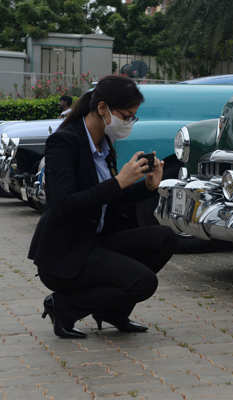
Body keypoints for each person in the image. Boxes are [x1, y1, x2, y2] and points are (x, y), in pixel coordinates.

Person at [28, 75, 176, 339]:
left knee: (164, 238)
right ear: (102, 108)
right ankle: (64, 306)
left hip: (96, 240)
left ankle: (111, 311)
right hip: (66, 252)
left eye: (133, 117)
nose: (129, 123)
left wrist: (147, 187)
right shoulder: (64, 142)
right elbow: (62, 205)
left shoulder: (104, 143)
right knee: (144, 282)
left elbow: (110, 197)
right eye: (126, 115)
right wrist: (118, 182)